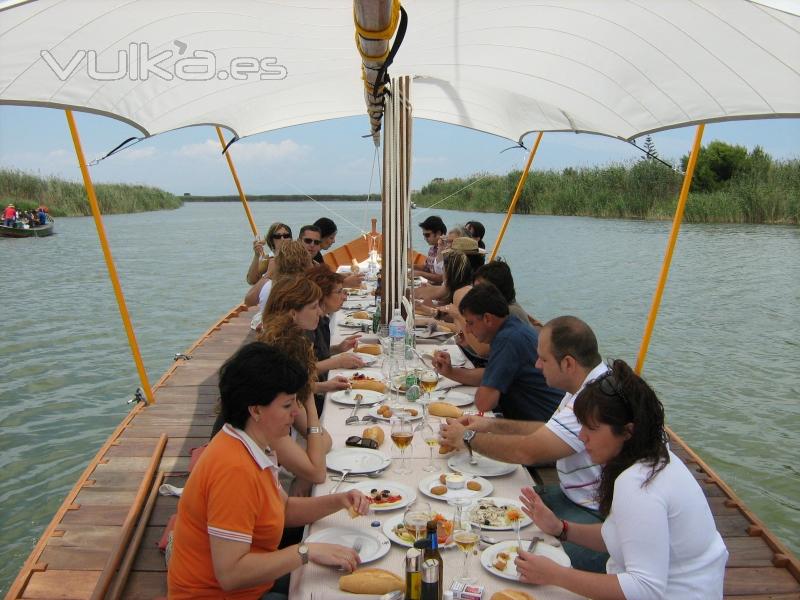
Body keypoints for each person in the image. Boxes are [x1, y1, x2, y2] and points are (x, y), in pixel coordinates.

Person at [514, 359, 728, 599]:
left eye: (592, 429)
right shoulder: (657, 459)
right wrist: (561, 529)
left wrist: (555, 574)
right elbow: (621, 536)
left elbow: (644, 588)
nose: (582, 437)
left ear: (628, 431)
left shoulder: (637, 484)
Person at [168, 342, 369, 599]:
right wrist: (305, 551)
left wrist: (339, 500)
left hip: (253, 586)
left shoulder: (253, 444)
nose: (296, 412)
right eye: (287, 406)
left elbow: (282, 509)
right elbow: (231, 574)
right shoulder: (234, 470)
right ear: (255, 410)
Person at [439, 316, 609, 571]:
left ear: (568, 363)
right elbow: (547, 431)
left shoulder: (593, 400)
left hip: (594, 516)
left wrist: (468, 439)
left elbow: (527, 452)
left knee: (509, 544)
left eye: (543, 359)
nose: (537, 365)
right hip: (572, 495)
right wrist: (489, 425)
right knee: (486, 508)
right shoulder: (587, 384)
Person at [432, 283, 562, 422]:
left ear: (487, 319)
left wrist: (487, 387)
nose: (468, 330)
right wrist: (450, 372)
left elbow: (484, 403)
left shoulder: (507, 340)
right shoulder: (512, 327)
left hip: (546, 426)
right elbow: (492, 375)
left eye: (470, 323)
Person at [473, 260, 541, 330]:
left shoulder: (509, 315)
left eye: (480, 291)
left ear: (497, 292)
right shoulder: (508, 309)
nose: (473, 296)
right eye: (473, 290)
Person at [412, 215, 446, 284]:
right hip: (430, 286)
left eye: (427, 235)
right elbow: (427, 268)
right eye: (424, 235)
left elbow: (441, 278)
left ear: (438, 233)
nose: (425, 238)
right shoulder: (432, 249)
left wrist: (420, 273)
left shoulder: (446, 251)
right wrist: (411, 266)